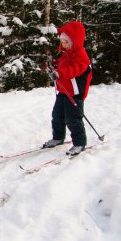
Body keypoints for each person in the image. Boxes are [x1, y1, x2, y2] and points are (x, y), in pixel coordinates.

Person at [43, 21, 92, 155]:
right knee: (57, 116)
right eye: (62, 42)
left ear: (74, 41)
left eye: (65, 42)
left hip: (75, 94)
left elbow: (74, 70)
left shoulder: (81, 56)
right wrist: (52, 64)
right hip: (64, 91)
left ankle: (79, 143)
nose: (62, 45)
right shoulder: (66, 53)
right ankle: (58, 138)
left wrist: (59, 74)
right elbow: (61, 65)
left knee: (73, 119)